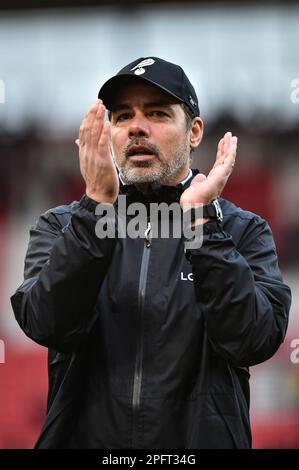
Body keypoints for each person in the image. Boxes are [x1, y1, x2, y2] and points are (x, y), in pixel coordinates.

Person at [11, 57, 291, 449]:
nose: (137, 127)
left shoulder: (242, 230)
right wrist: (96, 211)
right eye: (123, 116)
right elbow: (46, 323)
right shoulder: (62, 227)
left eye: (157, 113)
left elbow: (254, 340)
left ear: (194, 132)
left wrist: (201, 226)